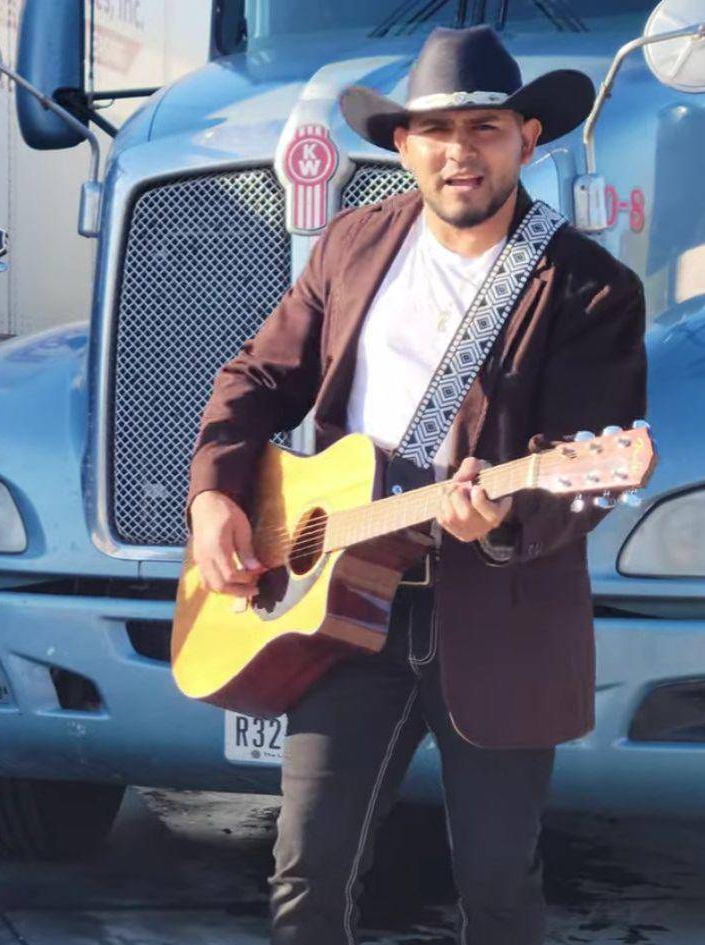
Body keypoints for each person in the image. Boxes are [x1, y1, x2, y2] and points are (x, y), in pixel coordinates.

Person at [186, 27, 647, 945]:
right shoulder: (354, 243)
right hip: (338, 613)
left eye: (484, 128)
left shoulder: (591, 288)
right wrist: (214, 493)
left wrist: (506, 518)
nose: (459, 152)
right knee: (303, 873)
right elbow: (257, 375)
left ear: (527, 138)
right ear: (402, 145)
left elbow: (579, 475)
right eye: (437, 132)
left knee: (497, 888)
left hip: (499, 614)